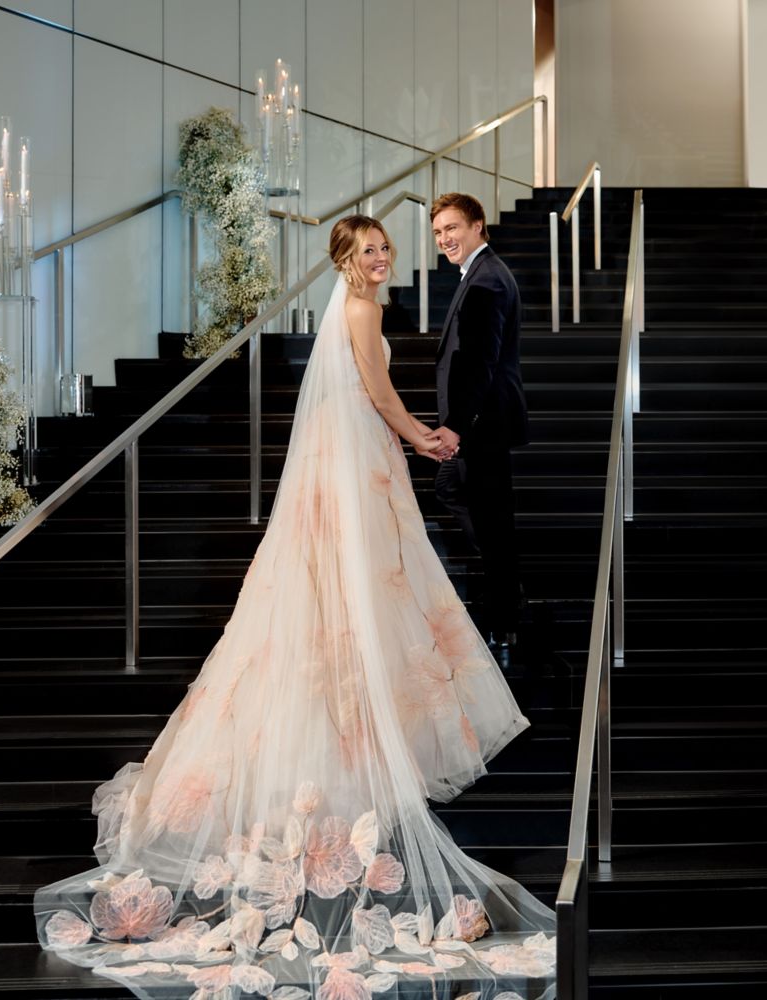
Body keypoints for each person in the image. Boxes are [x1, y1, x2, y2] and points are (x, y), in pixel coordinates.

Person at [34, 215, 555, 1000]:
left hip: (355, 463)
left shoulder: (355, 307)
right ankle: (354, 741)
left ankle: (348, 737)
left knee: (358, 601)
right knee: (366, 596)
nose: (381, 259)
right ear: (345, 260)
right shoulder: (363, 309)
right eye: (367, 251)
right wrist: (421, 436)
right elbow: (376, 389)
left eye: (385, 248)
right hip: (362, 466)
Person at [429, 193, 528, 658]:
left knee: (491, 521)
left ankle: (505, 618)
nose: (444, 238)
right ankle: (506, 593)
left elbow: (479, 362)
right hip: (483, 422)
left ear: (477, 226)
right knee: (457, 493)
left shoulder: (487, 280)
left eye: (452, 228)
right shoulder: (482, 273)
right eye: (437, 232)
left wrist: (456, 426)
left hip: (482, 424)